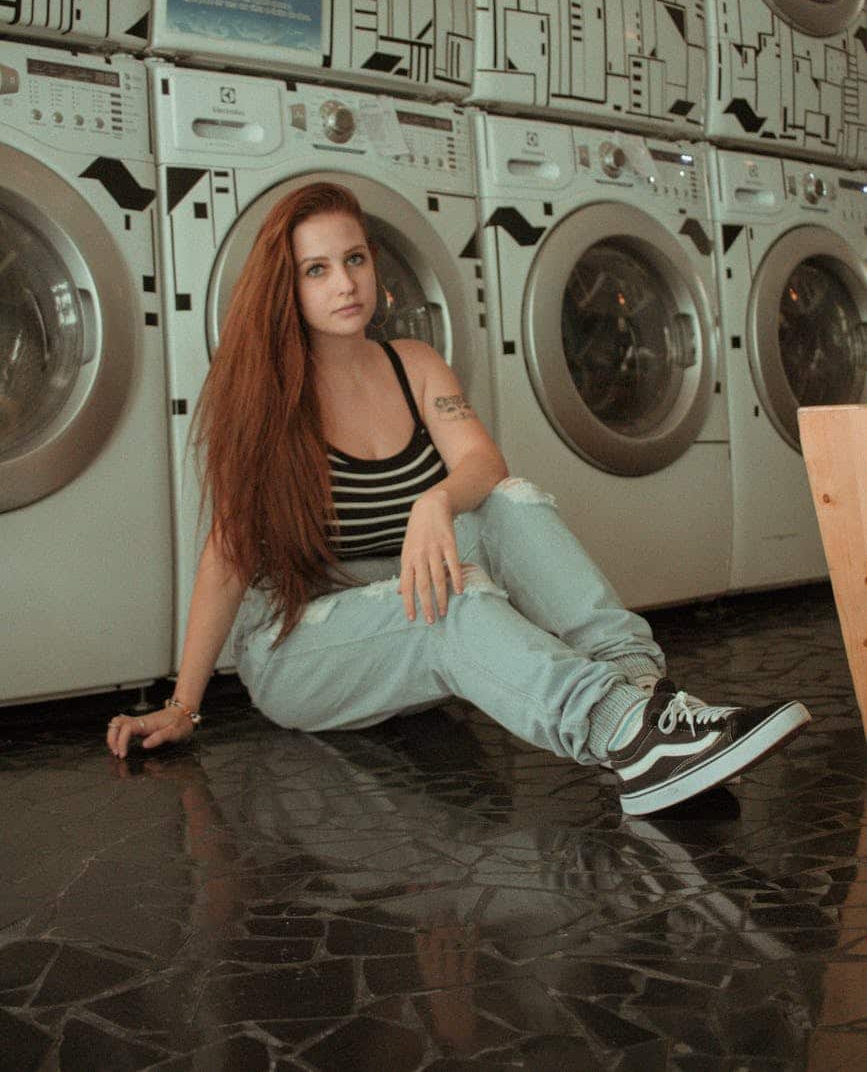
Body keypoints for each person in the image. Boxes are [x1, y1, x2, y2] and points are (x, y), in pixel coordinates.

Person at [106, 182, 810, 815]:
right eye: (315, 270)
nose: (343, 283)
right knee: (451, 597)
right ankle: (618, 731)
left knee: (508, 500)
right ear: (283, 288)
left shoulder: (413, 363)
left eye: (354, 259)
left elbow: (480, 462)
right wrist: (182, 706)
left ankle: (641, 695)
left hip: (408, 617)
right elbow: (227, 557)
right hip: (301, 649)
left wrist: (433, 502)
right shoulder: (258, 398)